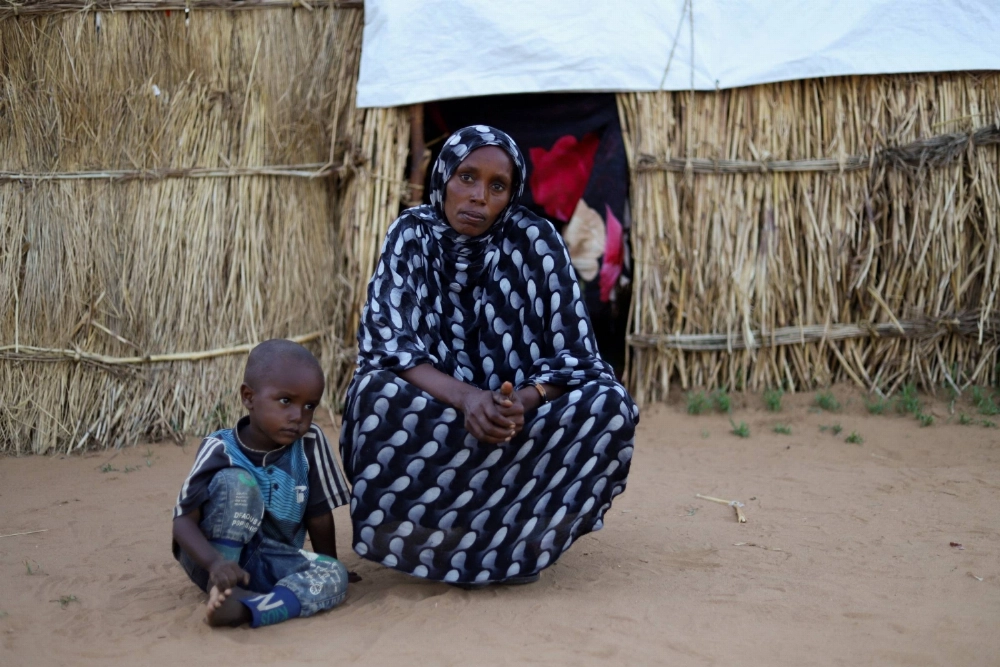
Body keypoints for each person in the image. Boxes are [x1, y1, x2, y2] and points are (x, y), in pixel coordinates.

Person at [339, 125, 639, 587]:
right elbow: (386, 344)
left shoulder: (536, 242)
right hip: (437, 410)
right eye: (467, 177)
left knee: (609, 404)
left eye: (497, 186)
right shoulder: (411, 234)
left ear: (512, 193)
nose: (479, 196)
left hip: (518, 418)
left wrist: (523, 400)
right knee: (373, 393)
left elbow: (577, 359)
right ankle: (433, 536)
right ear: (443, 178)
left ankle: (521, 538)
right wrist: (466, 400)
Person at [172, 339, 352, 627]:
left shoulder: (310, 442)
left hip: (270, 560)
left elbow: (318, 517)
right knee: (237, 483)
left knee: (335, 575)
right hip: (211, 562)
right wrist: (216, 564)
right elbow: (182, 521)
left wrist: (326, 563)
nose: (298, 417)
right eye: (285, 401)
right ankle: (223, 589)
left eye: (309, 406)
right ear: (248, 397)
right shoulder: (219, 448)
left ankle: (250, 609)